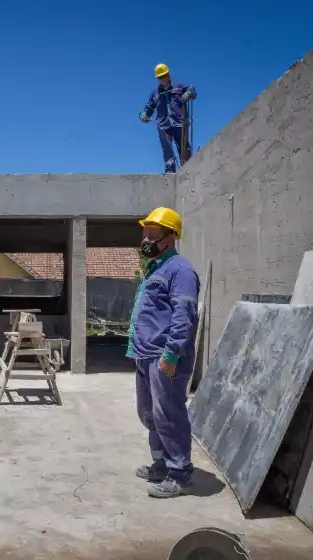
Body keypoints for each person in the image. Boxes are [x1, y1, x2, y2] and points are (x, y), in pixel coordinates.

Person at [126, 207, 200, 499]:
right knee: (149, 413)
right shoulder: (157, 267)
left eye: (154, 234)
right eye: (146, 232)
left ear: (171, 237)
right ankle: (161, 463)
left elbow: (184, 317)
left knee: (169, 413)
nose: (147, 238)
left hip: (164, 357)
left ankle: (179, 473)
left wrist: (170, 357)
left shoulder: (180, 270)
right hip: (145, 355)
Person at [139, 63, 197, 174]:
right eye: (160, 77)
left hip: (180, 123)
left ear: (168, 74)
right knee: (167, 150)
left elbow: (192, 88)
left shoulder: (179, 87)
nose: (162, 79)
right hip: (163, 126)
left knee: (184, 149)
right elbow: (149, 107)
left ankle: (189, 169)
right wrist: (143, 114)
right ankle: (170, 172)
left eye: (164, 75)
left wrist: (189, 93)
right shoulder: (155, 94)